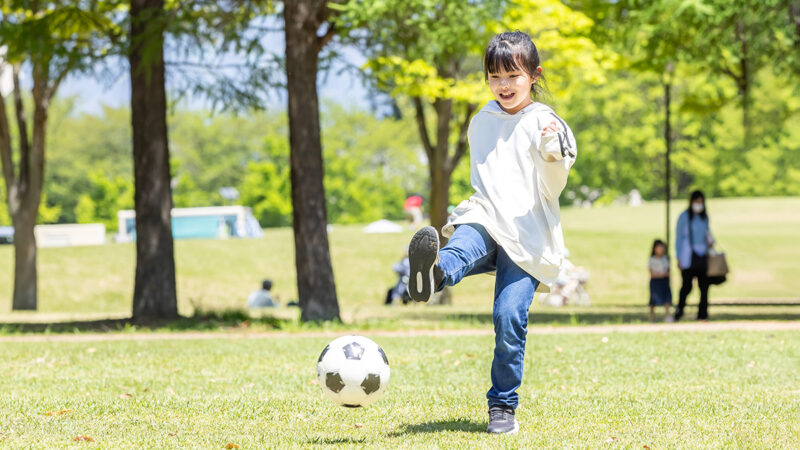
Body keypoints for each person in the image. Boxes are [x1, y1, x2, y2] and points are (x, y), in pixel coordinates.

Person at [406, 31, 577, 435]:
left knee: (508, 317)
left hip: (528, 234)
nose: (503, 84)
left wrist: (552, 153)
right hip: (486, 216)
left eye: (512, 75)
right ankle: (433, 275)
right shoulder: (482, 120)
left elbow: (553, 184)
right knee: (461, 244)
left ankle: (502, 405)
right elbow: (487, 179)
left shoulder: (547, 122)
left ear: (534, 75)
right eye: (494, 76)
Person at [674, 190, 715, 321]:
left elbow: (708, 233)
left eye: (701, 202)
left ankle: (702, 314)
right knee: (687, 285)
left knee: (704, 286)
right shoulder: (684, 217)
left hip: (702, 256)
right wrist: (678, 256)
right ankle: (679, 310)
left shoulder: (704, 217)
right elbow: (678, 238)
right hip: (688, 256)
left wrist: (711, 241)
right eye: (696, 202)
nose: (699, 204)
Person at [648, 239, 673, 322]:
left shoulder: (666, 259)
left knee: (667, 298)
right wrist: (660, 275)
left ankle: (667, 315)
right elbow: (651, 273)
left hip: (664, 281)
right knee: (653, 300)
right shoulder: (652, 259)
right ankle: (652, 317)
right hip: (655, 282)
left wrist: (662, 275)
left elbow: (668, 272)